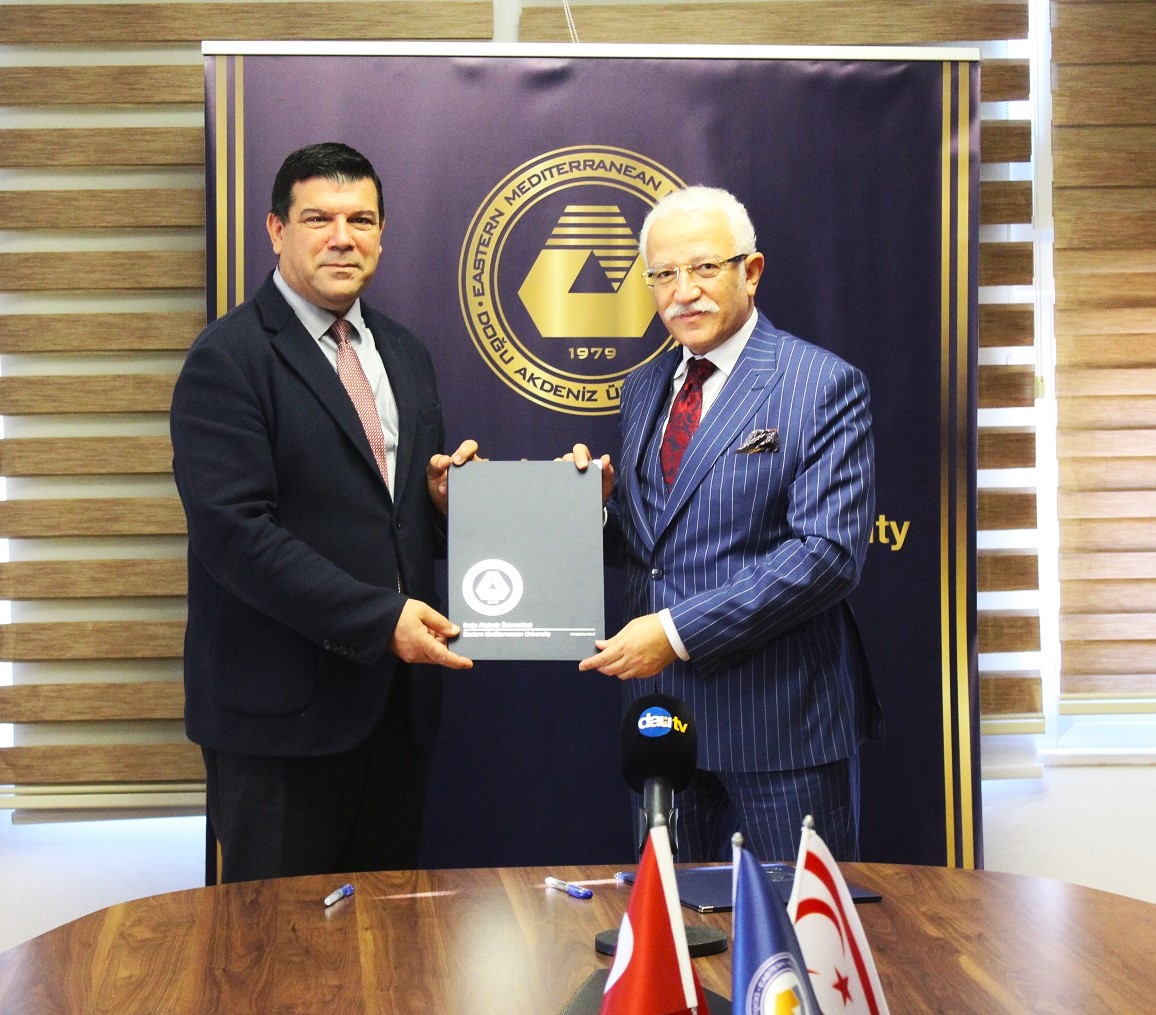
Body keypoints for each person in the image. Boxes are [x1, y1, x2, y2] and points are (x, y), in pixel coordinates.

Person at [171, 142, 477, 883]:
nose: (343, 238)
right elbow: (235, 536)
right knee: (275, 942)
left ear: (382, 234)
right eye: (319, 219)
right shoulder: (228, 358)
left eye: (361, 220)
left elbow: (389, 518)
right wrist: (381, 619)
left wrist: (440, 507)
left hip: (396, 717)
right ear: (276, 230)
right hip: (279, 725)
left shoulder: (405, 353)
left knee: (386, 939)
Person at [570, 185, 881, 863]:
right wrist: (593, 508)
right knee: (672, 921)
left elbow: (827, 554)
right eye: (663, 274)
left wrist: (675, 633)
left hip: (781, 727)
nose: (683, 292)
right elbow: (654, 546)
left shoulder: (819, 383)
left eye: (705, 267)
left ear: (752, 270)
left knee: (795, 924)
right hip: (663, 727)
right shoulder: (645, 387)